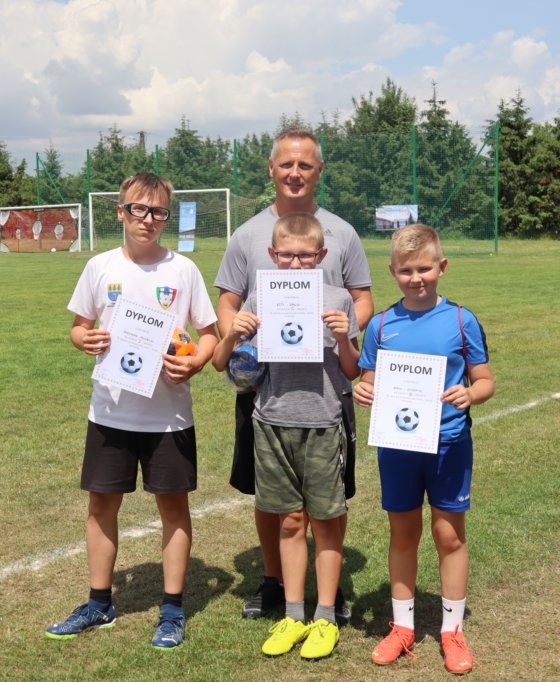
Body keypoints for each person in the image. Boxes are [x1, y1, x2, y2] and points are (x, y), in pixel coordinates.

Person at [46, 172, 218, 650]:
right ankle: (99, 603)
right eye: (138, 209)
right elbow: (78, 327)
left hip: (168, 417)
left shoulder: (183, 270)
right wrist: (85, 339)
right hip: (110, 413)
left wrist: (196, 362)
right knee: (101, 506)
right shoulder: (100, 266)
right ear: (121, 212)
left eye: (158, 211)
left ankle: (172, 610)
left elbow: (208, 333)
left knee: (173, 509)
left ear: (167, 217)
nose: (148, 219)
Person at [214, 125, 373, 622]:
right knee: (272, 495)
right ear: (272, 168)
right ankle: (275, 583)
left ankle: (328, 592)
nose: (296, 172)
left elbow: (362, 299)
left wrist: (338, 331)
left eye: (305, 164)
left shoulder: (342, 233)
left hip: (325, 389)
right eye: (287, 163)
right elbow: (228, 301)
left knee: (327, 498)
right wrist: (240, 342)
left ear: (319, 170)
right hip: (268, 385)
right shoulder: (247, 234)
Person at [353, 224, 495, 674]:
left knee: (448, 535)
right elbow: (369, 381)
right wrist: (362, 390)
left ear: (442, 266)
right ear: (392, 272)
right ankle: (402, 627)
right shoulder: (381, 325)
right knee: (403, 534)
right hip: (398, 447)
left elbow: (485, 381)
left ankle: (452, 631)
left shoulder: (461, 320)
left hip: (448, 443)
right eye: (406, 270)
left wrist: (470, 394)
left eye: (425, 269)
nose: (416, 278)